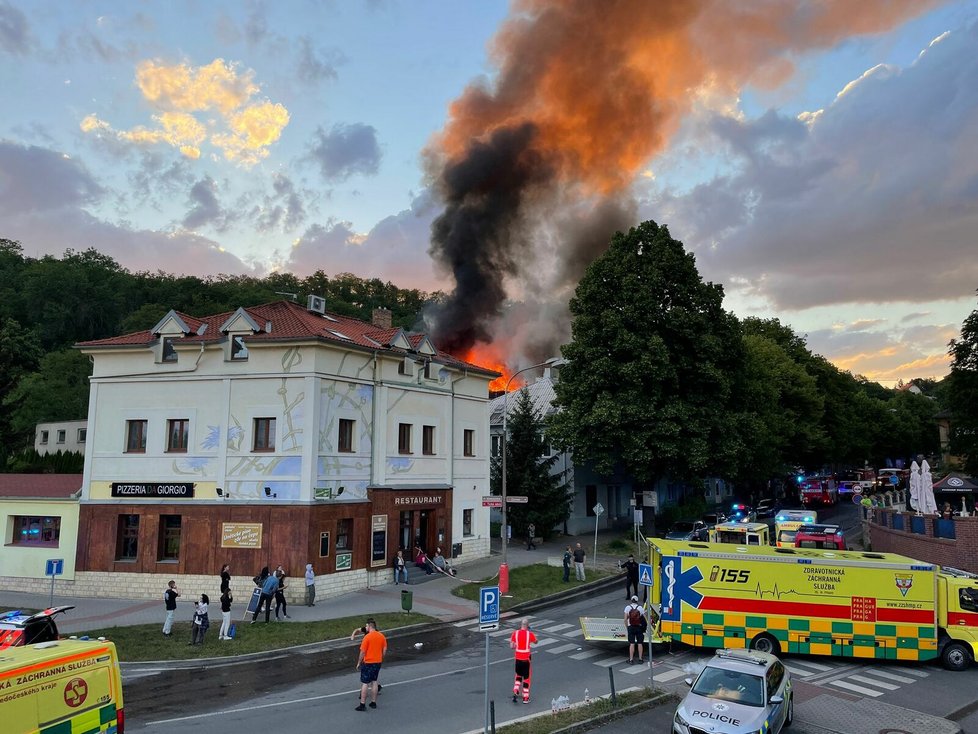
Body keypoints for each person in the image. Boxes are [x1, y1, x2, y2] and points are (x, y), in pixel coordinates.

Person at [355, 619, 387, 711]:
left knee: (365, 683)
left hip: (368, 662)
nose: (366, 628)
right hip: (377, 662)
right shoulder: (381, 636)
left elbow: (362, 652)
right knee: (374, 681)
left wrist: (358, 662)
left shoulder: (367, 637)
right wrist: (381, 658)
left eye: (367, 626)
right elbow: (384, 650)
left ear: (369, 626)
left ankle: (362, 704)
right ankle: (373, 702)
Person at [509, 618, 537, 704]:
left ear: (521, 625)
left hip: (518, 659)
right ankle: (525, 697)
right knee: (526, 679)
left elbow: (512, 646)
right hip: (526, 659)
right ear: (527, 625)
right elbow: (536, 642)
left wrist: (517, 646)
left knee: (518, 676)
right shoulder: (530, 634)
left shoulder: (515, 633)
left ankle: (516, 690)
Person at [624, 595, 646, 664]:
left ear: (631, 600)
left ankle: (631, 660)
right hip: (639, 627)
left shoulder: (627, 608)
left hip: (631, 627)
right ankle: (640, 659)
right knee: (640, 643)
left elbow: (625, 619)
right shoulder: (640, 608)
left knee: (632, 643)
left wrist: (627, 627)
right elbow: (644, 618)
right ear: (637, 601)